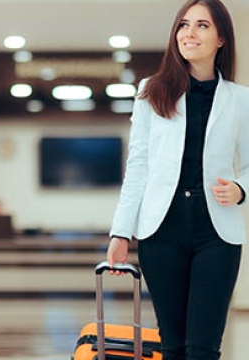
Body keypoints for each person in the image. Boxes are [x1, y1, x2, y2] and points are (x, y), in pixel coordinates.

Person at [106, 1, 249, 359]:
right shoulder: (151, 91)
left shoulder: (240, 100)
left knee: (202, 348)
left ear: (221, 39)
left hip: (217, 232)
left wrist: (241, 188)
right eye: (184, 25)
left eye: (202, 25)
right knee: (172, 346)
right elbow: (137, 166)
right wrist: (121, 232)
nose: (189, 32)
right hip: (161, 230)